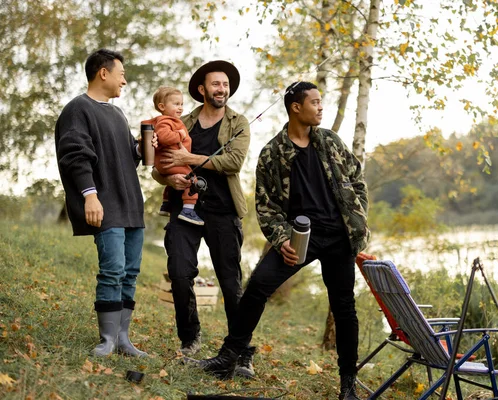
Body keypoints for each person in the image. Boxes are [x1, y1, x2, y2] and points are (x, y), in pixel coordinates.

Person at [187, 81, 370, 400]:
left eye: (321, 101)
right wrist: (282, 238)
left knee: (344, 307)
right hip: (300, 238)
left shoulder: (329, 141)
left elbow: (356, 179)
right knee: (258, 287)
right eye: (315, 102)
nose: (321, 107)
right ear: (296, 108)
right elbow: (265, 204)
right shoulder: (273, 152)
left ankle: (348, 384)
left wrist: (357, 219)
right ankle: (230, 356)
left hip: (339, 237)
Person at [151, 60, 255, 377]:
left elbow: (234, 162)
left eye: (225, 84)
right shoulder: (179, 122)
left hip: (223, 211)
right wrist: (169, 179)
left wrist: (189, 158)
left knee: (230, 284)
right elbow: (159, 166)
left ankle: (242, 352)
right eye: (215, 84)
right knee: (179, 273)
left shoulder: (239, 123)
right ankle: (190, 337)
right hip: (184, 209)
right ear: (202, 89)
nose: (221, 89)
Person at [55, 48, 147, 358]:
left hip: (132, 204)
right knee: (113, 270)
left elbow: (123, 161)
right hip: (105, 204)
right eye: (121, 73)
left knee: (131, 272)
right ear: (103, 73)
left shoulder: (118, 113)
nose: (125, 80)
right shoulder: (77, 110)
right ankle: (107, 339)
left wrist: (139, 149)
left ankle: (123, 339)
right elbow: (76, 157)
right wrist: (90, 195)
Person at [143, 86, 204, 225]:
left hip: (167, 164)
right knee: (192, 181)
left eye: (181, 104)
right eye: (176, 104)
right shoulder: (166, 121)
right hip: (171, 161)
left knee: (176, 181)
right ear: (162, 106)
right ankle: (188, 210)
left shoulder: (169, 120)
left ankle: (166, 204)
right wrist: (180, 134)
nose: (180, 108)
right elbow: (164, 137)